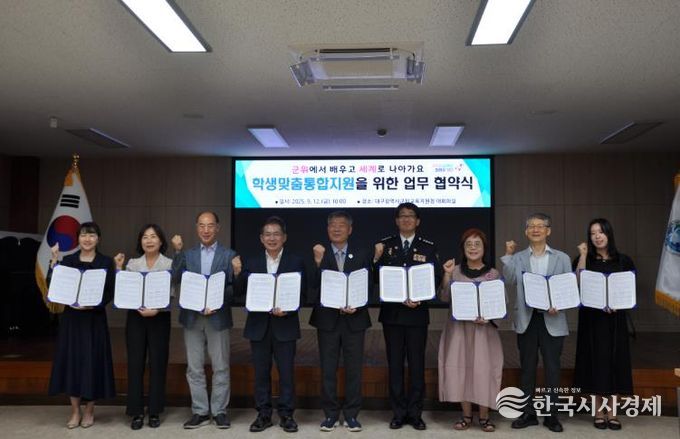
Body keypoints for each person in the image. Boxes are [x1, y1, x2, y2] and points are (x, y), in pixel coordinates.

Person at [234, 216, 306, 433]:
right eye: (268, 234)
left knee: (286, 373)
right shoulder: (252, 262)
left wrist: (289, 308)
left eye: (276, 234)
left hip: (286, 325)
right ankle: (263, 414)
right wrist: (237, 274)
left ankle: (287, 414)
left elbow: (302, 294)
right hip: (259, 326)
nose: (272, 238)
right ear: (261, 238)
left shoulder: (295, 261)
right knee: (261, 373)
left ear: (284, 237)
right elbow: (239, 292)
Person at [374, 202, 441, 431]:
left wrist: (421, 297)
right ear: (396, 220)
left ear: (417, 221)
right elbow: (375, 278)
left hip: (417, 315)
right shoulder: (385, 246)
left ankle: (415, 413)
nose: (406, 219)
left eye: (410, 216)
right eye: (402, 216)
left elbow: (435, 278)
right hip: (392, 315)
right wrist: (376, 258)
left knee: (416, 365)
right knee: (394, 365)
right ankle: (398, 413)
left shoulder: (428, 247)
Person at [501, 213, 571, 433]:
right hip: (527, 319)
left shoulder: (562, 258)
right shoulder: (519, 257)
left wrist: (559, 304)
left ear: (548, 231)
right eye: (531, 226)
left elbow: (567, 287)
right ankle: (528, 413)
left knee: (553, 368)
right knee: (527, 368)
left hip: (553, 318)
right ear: (526, 232)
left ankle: (552, 416)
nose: (536, 229)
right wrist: (508, 255)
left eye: (540, 226)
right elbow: (510, 279)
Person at [171, 211, 238, 429]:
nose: (206, 230)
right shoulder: (187, 254)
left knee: (221, 366)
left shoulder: (229, 255)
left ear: (218, 228)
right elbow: (175, 277)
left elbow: (233, 290)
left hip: (218, 316)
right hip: (192, 317)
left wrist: (217, 300)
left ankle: (219, 411)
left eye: (210, 226)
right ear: (197, 228)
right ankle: (200, 411)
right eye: (202, 225)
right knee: (194, 367)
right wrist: (177, 252)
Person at [308, 211, 373, 432]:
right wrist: (318, 262)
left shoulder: (362, 254)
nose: (337, 229)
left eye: (341, 225)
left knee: (354, 369)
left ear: (350, 229)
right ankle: (330, 414)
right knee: (328, 369)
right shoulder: (320, 253)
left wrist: (358, 304)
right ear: (327, 229)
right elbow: (312, 285)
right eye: (332, 225)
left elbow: (368, 285)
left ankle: (352, 415)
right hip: (328, 320)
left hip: (355, 319)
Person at [47, 222, 116, 429]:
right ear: (78, 238)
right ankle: (75, 410)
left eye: (92, 235)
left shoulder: (105, 262)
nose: (87, 239)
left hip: (94, 319)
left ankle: (89, 410)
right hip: (72, 320)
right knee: (73, 362)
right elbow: (55, 287)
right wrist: (54, 261)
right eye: (84, 235)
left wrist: (94, 304)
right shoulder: (68, 261)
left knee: (93, 362)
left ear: (98, 239)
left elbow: (110, 291)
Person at [438, 228, 503, 433]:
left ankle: (484, 416)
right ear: (463, 248)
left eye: (477, 244)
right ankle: (466, 415)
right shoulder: (455, 271)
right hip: (459, 330)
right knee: (462, 369)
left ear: (484, 249)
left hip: (484, 332)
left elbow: (500, 303)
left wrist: (489, 317)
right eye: (469, 244)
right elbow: (444, 297)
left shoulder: (493, 274)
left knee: (484, 370)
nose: (473, 248)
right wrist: (447, 275)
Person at [573, 218, 635, 431]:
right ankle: (599, 412)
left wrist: (618, 304)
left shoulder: (624, 260)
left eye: (601, 232)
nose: (597, 236)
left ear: (609, 234)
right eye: (592, 233)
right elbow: (577, 283)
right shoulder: (584, 259)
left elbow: (629, 289)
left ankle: (613, 413)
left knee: (615, 362)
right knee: (596, 362)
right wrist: (583, 255)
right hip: (592, 320)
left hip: (615, 320)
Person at [113, 224, 173, 429]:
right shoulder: (132, 264)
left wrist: (157, 309)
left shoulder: (169, 263)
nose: (149, 240)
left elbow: (172, 292)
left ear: (161, 241)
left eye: (153, 236)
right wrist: (118, 269)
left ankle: (154, 410)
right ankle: (136, 411)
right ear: (140, 241)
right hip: (136, 317)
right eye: (145, 237)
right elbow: (124, 290)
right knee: (135, 363)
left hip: (160, 317)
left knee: (158, 364)